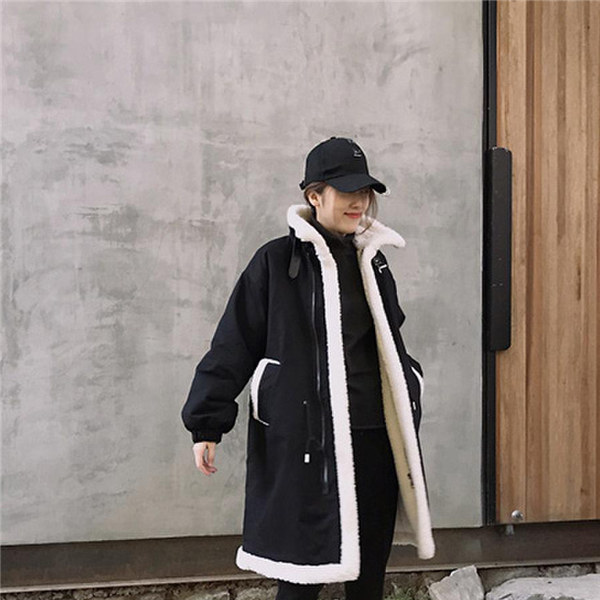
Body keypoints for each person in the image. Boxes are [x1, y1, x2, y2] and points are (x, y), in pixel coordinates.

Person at [181, 136, 435, 600]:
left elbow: (390, 339)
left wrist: (411, 381)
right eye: (347, 191)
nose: (359, 202)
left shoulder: (372, 260)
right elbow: (234, 344)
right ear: (314, 195)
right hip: (309, 444)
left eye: (365, 192)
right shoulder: (277, 262)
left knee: (368, 581)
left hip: (376, 438)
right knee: (300, 582)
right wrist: (206, 422)